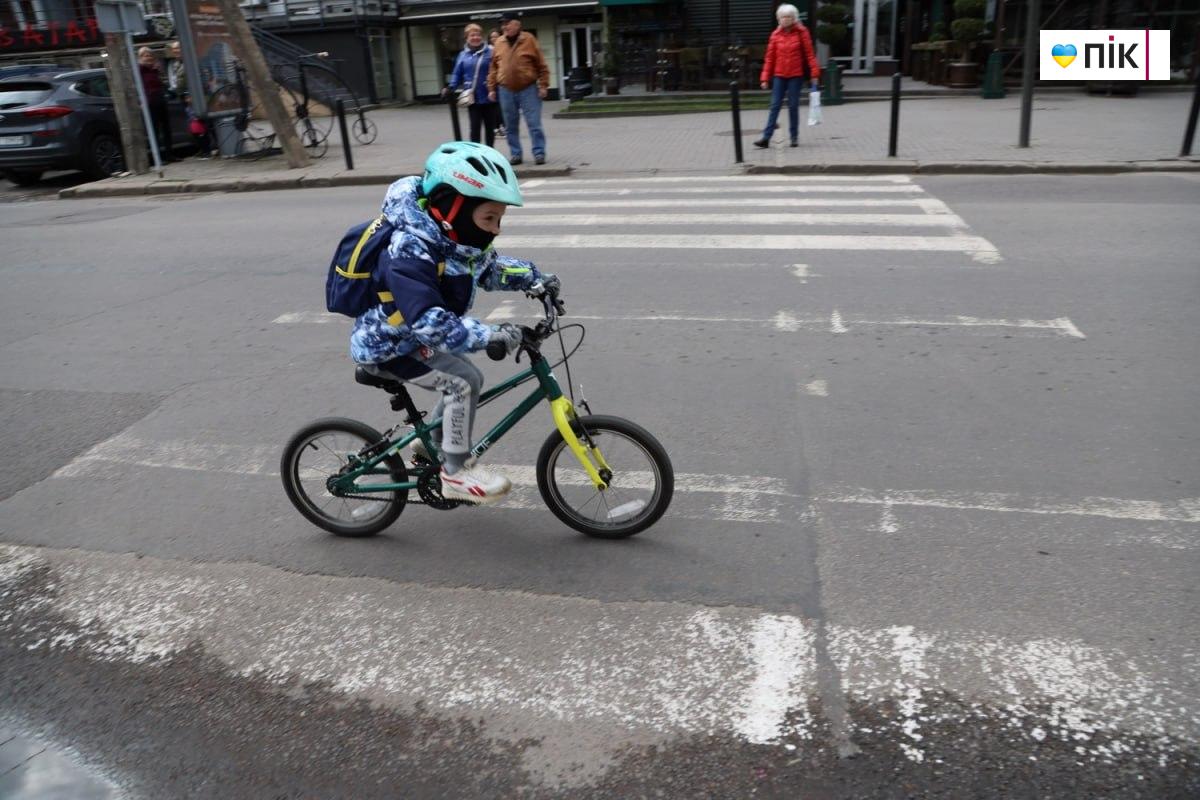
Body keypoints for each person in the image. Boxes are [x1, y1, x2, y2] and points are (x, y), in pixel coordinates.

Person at [349, 142, 560, 503]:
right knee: (461, 383)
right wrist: (491, 335)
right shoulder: (410, 249)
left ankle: (430, 442)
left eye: (499, 219)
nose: (496, 230)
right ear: (454, 210)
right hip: (388, 347)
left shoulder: (453, 240)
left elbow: (489, 269)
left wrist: (535, 278)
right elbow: (429, 321)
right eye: (489, 219)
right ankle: (455, 472)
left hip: (411, 339)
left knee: (471, 377)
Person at [753, 4, 820, 149]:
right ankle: (766, 137)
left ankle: (794, 136)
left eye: (789, 16)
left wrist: (815, 74)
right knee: (775, 106)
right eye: (783, 17)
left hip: (796, 75)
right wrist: (764, 78)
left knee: (793, 106)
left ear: (794, 18)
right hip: (779, 75)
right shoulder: (775, 35)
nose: (786, 19)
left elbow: (810, 54)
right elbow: (770, 58)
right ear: (779, 19)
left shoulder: (802, 32)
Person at [486, 12, 550, 165]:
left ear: (517, 24)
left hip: (528, 88)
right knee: (510, 126)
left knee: (534, 124)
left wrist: (543, 85)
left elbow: (541, 65)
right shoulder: (499, 42)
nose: (504, 26)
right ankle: (516, 154)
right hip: (505, 89)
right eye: (503, 24)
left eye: (507, 23)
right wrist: (492, 88)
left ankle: (539, 153)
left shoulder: (529, 39)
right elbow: (493, 68)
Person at [445, 23, 501, 147]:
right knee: (474, 129)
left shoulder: (490, 52)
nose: (476, 37)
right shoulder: (463, 55)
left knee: (489, 129)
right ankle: (475, 155)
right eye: (472, 35)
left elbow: (498, 70)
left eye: (478, 35)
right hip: (473, 98)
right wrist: (451, 87)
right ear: (467, 38)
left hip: (489, 96)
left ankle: (489, 154)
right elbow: (457, 73)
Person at [137, 46, 174, 161]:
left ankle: (169, 155)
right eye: (145, 56)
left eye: (150, 55)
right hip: (149, 102)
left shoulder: (155, 70)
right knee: (154, 130)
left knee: (166, 128)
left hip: (160, 100)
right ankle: (158, 157)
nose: (148, 58)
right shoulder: (140, 70)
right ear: (140, 58)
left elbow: (162, 83)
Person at [487, 29, 507, 139]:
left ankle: (502, 127)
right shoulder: (487, 51)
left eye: (496, 36)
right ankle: (496, 128)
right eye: (492, 37)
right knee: (495, 107)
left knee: (502, 107)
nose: (494, 39)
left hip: (502, 82)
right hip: (492, 83)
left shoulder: (503, 48)